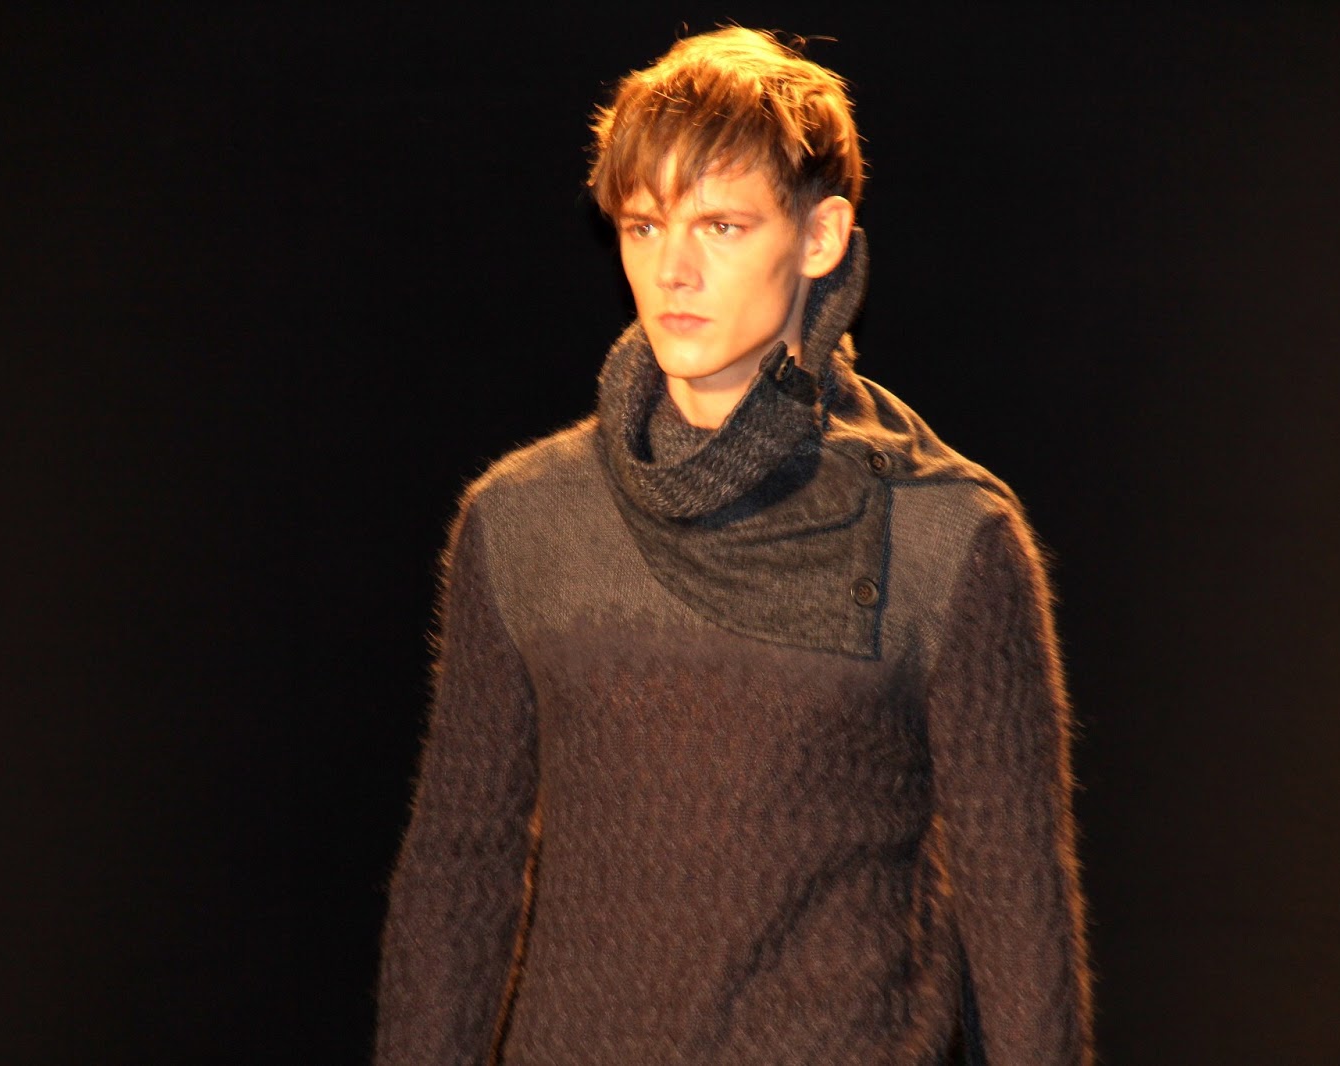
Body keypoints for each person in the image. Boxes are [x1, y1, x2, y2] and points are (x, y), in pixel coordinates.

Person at [376, 27, 1093, 1064]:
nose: (673, 269)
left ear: (820, 235)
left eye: (720, 223)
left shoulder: (947, 537)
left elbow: (1019, 916)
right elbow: (459, 869)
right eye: (643, 224)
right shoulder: (525, 521)